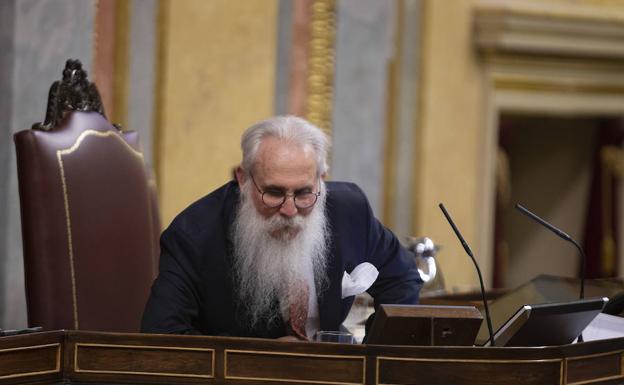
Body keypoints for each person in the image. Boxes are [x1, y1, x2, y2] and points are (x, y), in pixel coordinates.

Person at [141, 116, 422, 340]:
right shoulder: (193, 234)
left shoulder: (350, 210)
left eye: (303, 193)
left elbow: (402, 278)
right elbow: (162, 334)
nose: (289, 210)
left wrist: (370, 355)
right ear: (243, 178)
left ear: (321, 179)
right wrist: (264, 361)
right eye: (274, 193)